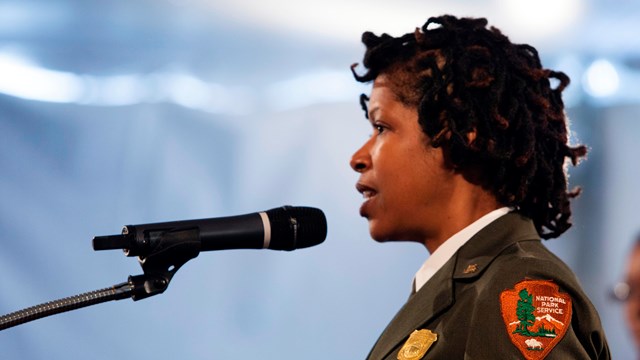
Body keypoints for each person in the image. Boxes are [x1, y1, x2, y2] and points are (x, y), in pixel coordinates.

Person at [349, 15, 610, 359]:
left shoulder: (517, 289)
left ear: (458, 134)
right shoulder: (467, 287)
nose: (358, 157)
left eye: (381, 127)